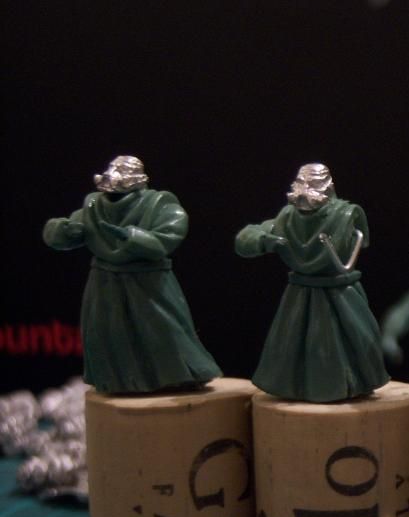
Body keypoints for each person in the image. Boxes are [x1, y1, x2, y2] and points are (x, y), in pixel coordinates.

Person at [43, 155, 221, 393]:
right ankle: (117, 380)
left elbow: (166, 239)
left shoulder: (160, 203)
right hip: (105, 282)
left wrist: (132, 236)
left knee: (163, 331)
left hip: (148, 282)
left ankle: (179, 376)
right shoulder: (94, 206)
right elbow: (63, 235)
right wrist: (62, 230)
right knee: (109, 332)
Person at [235, 163, 389, 402]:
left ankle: (349, 383)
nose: (305, 190)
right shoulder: (287, 217)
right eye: (301, 183)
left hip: (340, 293)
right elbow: (245, 239)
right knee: (293, 345)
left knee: (354, 340)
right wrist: (264, 240)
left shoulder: (346, 215)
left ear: (329, 187)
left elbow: (356, 246)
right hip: (300, 295)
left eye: (313, 184)